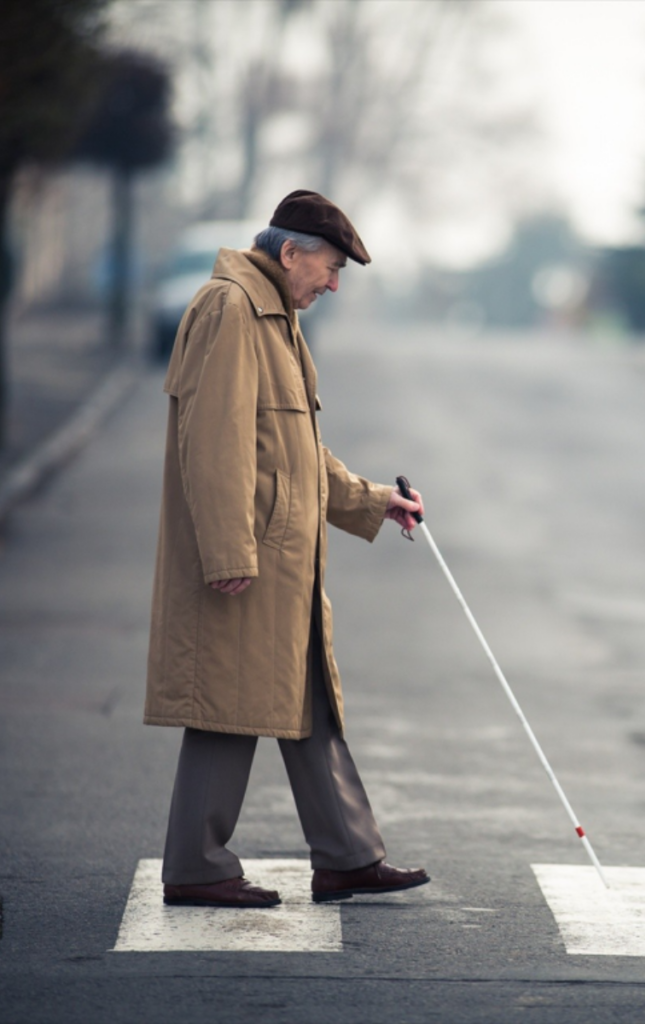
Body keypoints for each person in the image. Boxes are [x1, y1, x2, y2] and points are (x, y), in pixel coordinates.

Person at [144, 190, 429, 908]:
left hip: (283, 562)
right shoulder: (232, 310)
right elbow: (214, 444)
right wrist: (228, 553)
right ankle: (198, 867)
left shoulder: (275, 318)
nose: (333, 284)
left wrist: (370, 499)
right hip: (251, 558)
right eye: (329, 268)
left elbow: (292, 451)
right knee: (225, 707)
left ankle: (347, 857)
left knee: (307, 705)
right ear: (290, 252)